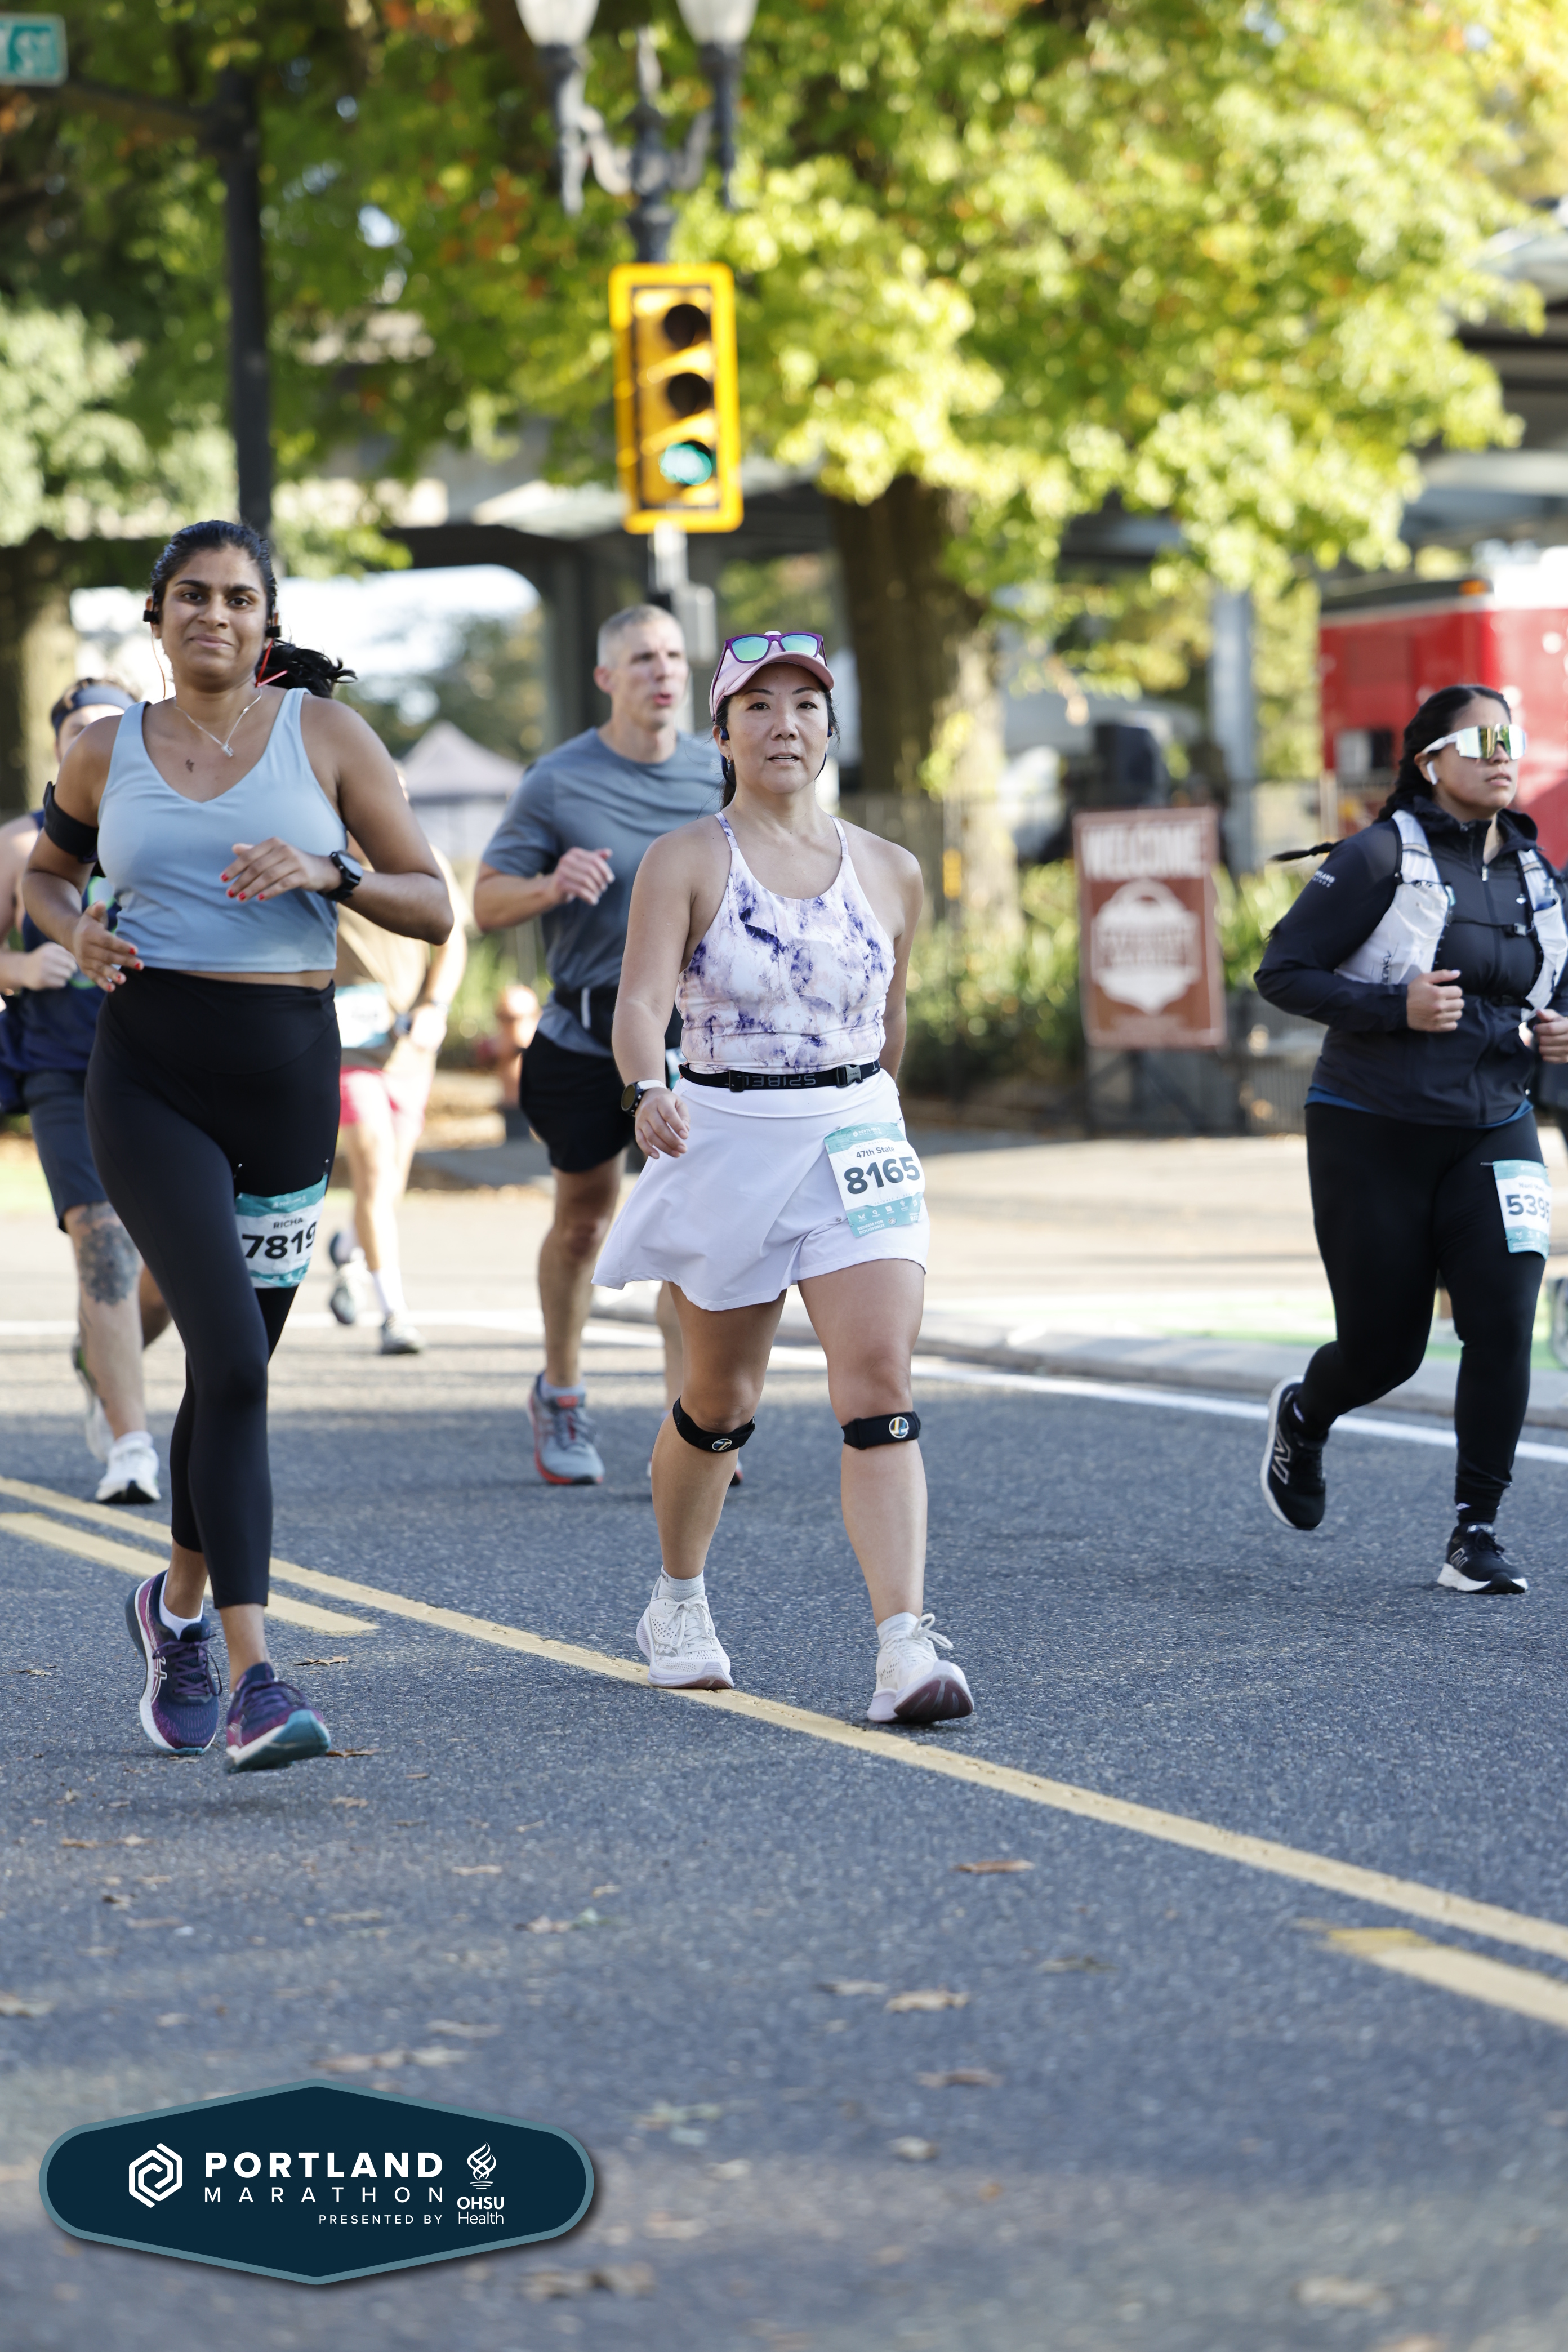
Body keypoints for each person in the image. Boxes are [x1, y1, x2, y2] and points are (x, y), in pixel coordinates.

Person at [23, 519, 452, 1770]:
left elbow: (433, 903)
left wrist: (330, 871)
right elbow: (46, 877)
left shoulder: (328, 737)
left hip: (285, 1082)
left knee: (233, 1372)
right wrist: (74, 931)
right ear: (156, 617)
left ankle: (172, 1612)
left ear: (268, 623)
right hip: (148, 1076)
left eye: (240, 599)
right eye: (193, 596)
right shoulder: (106, 750)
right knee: (231, 1359)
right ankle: (259, 1677)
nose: (215, 614)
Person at [593, 630, 975, 1725]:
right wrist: (644, 1087)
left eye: (804, 705)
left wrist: (873, 1113)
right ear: (721, 735)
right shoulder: (687, 858)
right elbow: (639, 1002)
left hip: (855, 1135)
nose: (783, 725)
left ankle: (904, 1646)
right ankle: (677, 1600)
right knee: (722, 1400)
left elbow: (892, 1023)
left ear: (829, 729)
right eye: (756, 707)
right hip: (726, 1134)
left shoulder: (891, 869)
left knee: (879, 1382)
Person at [1255, 684, 1568, 1594]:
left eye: (1512, 739)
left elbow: (1549, 985)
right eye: (1481, 741)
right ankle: (1306, 1414)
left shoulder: (1535, 871)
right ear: (1430, 762)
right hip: (1370, 1128)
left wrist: (1559, 1032)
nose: (1502, 756)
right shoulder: (1376, 856)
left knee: (1502, 1322)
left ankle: (1475, 1531)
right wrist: (1395, 1007)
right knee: (1384, 1351)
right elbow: (1282, 971)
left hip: (1495, 1126)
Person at [473, 604, 723, 1485]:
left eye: (673, 656)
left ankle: (691, 1423)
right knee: (584, 1221)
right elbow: (485, 902)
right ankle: (562, 1391)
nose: (663, 671)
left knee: (687, 1233)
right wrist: (549, 885)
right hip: (586, 1038)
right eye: (642, 658)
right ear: (607, 678)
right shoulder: (558, 781)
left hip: (696, 1042)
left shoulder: (718, 771)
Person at [0, 680, 172, 1503]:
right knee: (102, 1240)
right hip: (63, 1069)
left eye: (108, 726)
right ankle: (131, 1446)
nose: (92, 741)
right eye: (77, 730)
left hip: (168, 1065)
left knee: (173, 1263)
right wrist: (20, 964)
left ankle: (98, 1360)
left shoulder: (171, 825)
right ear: (60, 746)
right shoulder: (20, 845)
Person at [327, 828, 469, 1356]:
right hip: (346, 1048)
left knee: (389, 1185)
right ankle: (394, 1315)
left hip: (410, 1047)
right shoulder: (317, 855)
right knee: (373, 1170)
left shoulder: (423, 857)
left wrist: (435, 1007)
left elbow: (451, 942)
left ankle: (348, 1248)